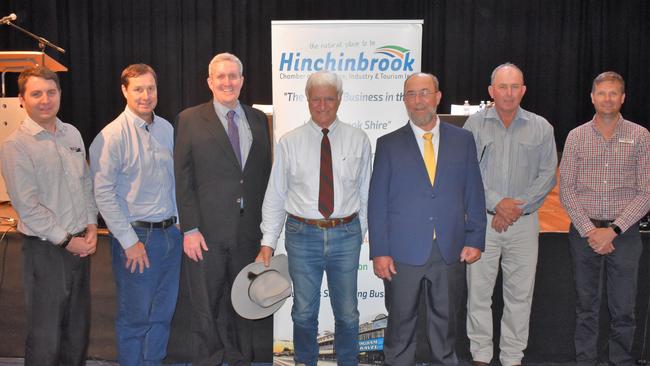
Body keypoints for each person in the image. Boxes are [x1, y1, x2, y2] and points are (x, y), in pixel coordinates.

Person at [368, 72, 486, 365]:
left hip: (449, 250)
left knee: (445, 329)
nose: (418, 101)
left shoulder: (464, 140)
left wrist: (475, 238)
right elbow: (377, 202)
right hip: (402, 253)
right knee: (400, 328)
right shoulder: (388, 144)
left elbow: (475, 192)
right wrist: (380, 251)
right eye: (411, 94)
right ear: (404, 100)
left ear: (437, 96)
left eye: (424, 93)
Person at [256, 70, 372, 366]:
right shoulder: (289, 142)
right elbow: (276, 194)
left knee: (348, 313)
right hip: (301, 235)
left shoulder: (359, 139)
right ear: (308, 100)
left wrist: (361, 233)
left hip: (346, 235)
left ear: (339, 100)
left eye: (329, 99)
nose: (323, 105)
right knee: (304, 312)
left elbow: (366, 192)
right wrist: (268, 240)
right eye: (316, 99)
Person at [174, 52, 272, 365]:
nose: (227, 82)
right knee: (206, 306)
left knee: (243, 303)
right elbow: (183, 178)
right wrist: (189, 228)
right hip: (205, 234)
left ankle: (241, 359)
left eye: (233, 76)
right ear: (209, 82)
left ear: (242, 81)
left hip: (246, 233)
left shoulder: (258, 120)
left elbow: (261, 177)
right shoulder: (189, 119)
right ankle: (208, 360)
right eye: (221, 77)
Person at [0, 66, 98, 365]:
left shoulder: (72, 133)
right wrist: (68, 240)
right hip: (46, 250)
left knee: (77, 333)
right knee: (46, 337)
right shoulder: (15, 145)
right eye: (36, 93)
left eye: (51, 92)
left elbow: (85, 182)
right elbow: (27, 206)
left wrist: (92, 223)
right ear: (21, 99)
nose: (45, 99)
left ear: (60, 94)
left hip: (80, 245)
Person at [463, 63, 557, 366]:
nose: (508, 93)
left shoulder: (541, 127)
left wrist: (515, 208)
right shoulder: (474, 126)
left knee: (519, 296)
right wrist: (497, 203)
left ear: (524, 90)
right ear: (491, 91)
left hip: (524, 224)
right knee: (478, 294)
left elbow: (547, 176)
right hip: (483, 222)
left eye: (515, 86)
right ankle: (480, 355)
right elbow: (466, 173)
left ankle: (512, 358)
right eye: (502, 87)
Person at [89, 63, 182, 366]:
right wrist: (129, 241)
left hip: (170, 236)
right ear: (124, 91)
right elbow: (103, 194)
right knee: (135, 319)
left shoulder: (167, 129)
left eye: (151, 88)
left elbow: (174, 181)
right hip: (136, 238)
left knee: (162, 317)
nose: (146, 95)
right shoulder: (111, 136)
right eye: (138, 89)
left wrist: (179, 223)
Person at [559, 71, 650, 365]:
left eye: (613, 93)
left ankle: (620, 361)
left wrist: (613, 230)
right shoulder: (576, 136)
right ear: (592, 97)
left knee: (624, 308)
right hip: (584, 234)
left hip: (624, 236)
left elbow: (646, 192)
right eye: (602, 93)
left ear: (622, 98)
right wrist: (590, 230)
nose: (607, 98)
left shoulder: (641, 136)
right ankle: (585, 361)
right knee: (586, 307)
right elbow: (567, 190)